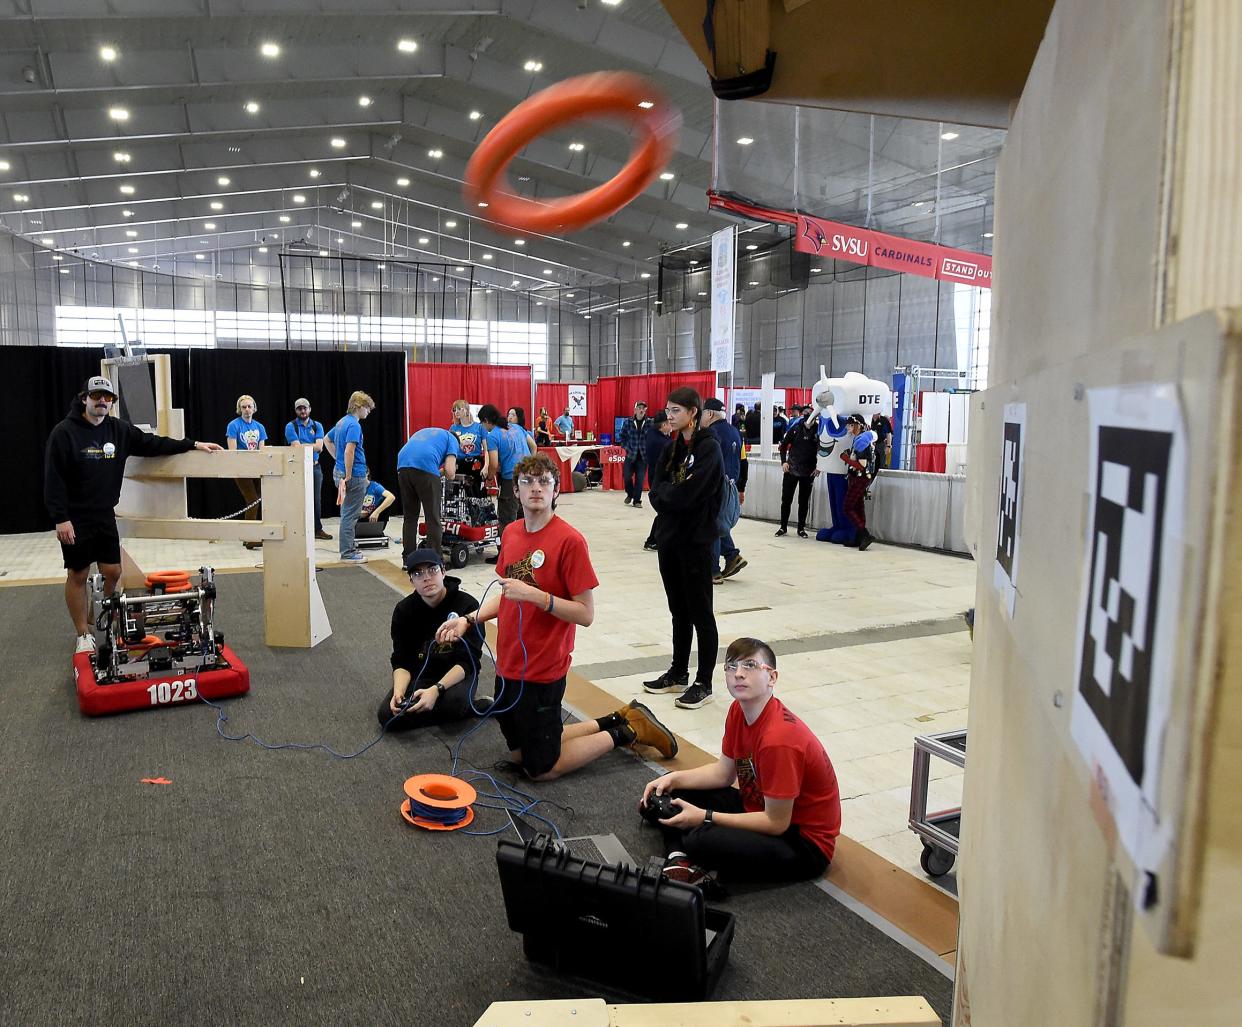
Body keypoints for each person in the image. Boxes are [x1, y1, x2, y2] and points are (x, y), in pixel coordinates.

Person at [436, 452, 678, 779]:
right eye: (527, 482)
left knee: (540, 769)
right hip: (508, 664)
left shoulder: (570, 541)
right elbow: (508, 596)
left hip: (542, 670)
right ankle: (617, 718)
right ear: (516, 491)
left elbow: (586, 613)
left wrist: (539, 598)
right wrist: (468, 619)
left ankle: (628, 731)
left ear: (556, 490)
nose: (536, 488)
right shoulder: (511, 533)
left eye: (544, 481)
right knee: (522, 752)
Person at [640, 637, 841, 887]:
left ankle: (683, 853)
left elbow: (776, 823)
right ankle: (680, 859)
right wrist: (672, 778)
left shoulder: (780, 738)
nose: (738, 674)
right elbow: (723, 774)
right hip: (757, 808)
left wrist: (705, 816)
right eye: (731, 667)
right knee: (666, 795)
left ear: (772, 677)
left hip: (802, 841)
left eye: (750, 666)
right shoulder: (738, 710)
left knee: (700, 838)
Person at [44, 376, 222, 653]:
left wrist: (193, 444)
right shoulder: (64, 433)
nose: (102, 401)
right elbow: (53, 478)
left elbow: (154, 444)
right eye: (97, 396)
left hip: (104, 515)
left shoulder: (119, 430)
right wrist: (60, 517)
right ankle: (82, 633)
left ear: (112, 402)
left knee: (113, 571)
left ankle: (96, 610)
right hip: (75, 516)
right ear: (84, 399)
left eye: (108, 397)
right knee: (78, 573)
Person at [644, 387, 722, 710]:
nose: (670, 416)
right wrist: (668, 497)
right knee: (678, 610)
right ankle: (678, 671)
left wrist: (668, 497)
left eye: (676, 410)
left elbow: (693, 494)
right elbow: (655, 488)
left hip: (696, 542)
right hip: (670, 540)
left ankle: (703, 680)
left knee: (700, 611)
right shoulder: (671, 447)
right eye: (667, 410)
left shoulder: (709, 449)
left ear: (693, 412)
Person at [380, 548, 484, 731]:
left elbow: (469, 662)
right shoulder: (404, 611)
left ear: (443, 571)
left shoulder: (468, 606)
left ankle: (468, 707)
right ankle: (462, 709)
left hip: (456, 673)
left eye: (432, 570)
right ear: (411, 580)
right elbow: (401, 660)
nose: (426, 578)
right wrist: (398, 691)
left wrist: (436, 690)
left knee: (455, 704)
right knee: (388, 716)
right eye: (418, 573)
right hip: (422, 673)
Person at [701, 398, 747, 584]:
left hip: (714, 486)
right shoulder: (735, 432)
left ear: (710, 414)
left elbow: (705, 463)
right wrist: (741, 488)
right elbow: (744, 462)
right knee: (719, 523)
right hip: (732, 486)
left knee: (711, 525)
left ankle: (713, 571)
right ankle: (732, 556)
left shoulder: (710, 434)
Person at [396, 426, 460, 557]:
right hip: (424, 466)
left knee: (410, 518)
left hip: (403, 466)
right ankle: (434, 559)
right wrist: (452, 470)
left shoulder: (430, 432)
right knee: (432, 518)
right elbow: (450, 472)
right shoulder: (452, 440)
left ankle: (408, 559)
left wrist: (438, 473)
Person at [332, 390, 375, 564]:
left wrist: (339, 460)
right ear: (359, 406)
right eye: (367, 408)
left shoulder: (341, 422)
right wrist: (349, 473)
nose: (369, 411)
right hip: (353, 475)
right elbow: (350, 450)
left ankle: (347, 547)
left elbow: (328, 440)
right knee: (350, 515)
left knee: (346, 512)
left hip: (339, 472)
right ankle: (348, 553)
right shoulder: (354, 425)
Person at [284, 397, 330, 541]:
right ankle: (297, 530)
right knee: (297, 499)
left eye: (305, 408)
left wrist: (303, 445)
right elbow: (296, 448)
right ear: (296, 410)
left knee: (316, 499)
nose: (302, 411)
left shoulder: (317, 426)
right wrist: (312, 445)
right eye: (299, 408)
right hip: (297, 468)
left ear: (309, 409)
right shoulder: (291, 426)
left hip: (315, 467)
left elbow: (320, 447)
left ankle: (317, 529)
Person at [226, 394, 267, 549]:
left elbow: (262, 450)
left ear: (254, 408)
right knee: (252, 501)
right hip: (242, 469)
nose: (247, 409)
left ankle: (254, 534)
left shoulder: (259, 427)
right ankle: (250, 537)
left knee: (258, 501)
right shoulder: (234, 425)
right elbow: (233, 451)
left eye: (250, 406)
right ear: (239, 409)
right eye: (244, 407)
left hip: (257, 468)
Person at [776, 407, 820, 538]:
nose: (807, 416)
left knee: (804, 501)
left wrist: (819, 466)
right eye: (805, 413)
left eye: (810, 413)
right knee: (786, 500)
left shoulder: (818, 430)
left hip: (809, 471)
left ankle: (801, 528)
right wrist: (784, 462)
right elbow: (783, 446)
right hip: (791, 469)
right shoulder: (795, 428)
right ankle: (783, 527)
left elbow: (824, 449)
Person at [841, 414, 877, 551]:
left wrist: (845, 458)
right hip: (858, 477)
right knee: (857, 507)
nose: (848, 427)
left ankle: (864, 534)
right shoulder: (860, 439)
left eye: (850, 425)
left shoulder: (861, 441)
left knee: (848, 507)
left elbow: (861, 465)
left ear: (858, 425)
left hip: (859, 477)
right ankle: (859, 537)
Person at [641, 411, 673, 551]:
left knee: (665, 511)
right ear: (664, 425)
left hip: (655, 479)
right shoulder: (664, 443)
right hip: (662, 482)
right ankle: (652, 540)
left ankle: (658, 538)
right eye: (669, 423)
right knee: (665, 511)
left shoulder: (651, 435)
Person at [449, 399, 490, 493]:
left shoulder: (479, 427)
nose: (456, 412)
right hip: (459, 463)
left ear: (467, 410)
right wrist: (451, 464)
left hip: (475, 463)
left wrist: (486, 466)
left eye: (459, 409)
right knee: (456, 495)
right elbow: (451, 449)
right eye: (454, 410)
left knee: (475, 493)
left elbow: (486, 450)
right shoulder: (453, 428)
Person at [617, 400, 650, 509]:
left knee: (640, 480)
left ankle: (637, 501)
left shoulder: (650, 423)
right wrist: (626, 447)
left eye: (643, 408)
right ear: (635, 410)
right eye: (639, 408)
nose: (641, 410)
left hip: (643, 457)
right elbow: (622, 437)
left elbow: (653, 437)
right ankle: (630, 494)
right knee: (626, 477)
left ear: (645, 410)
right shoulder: (628, 422)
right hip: (631, 455)